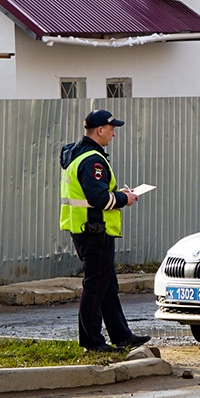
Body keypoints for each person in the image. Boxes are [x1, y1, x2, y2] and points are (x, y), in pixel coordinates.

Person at [60, 110, 146, 352]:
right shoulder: (92, 160)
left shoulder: (79, 155)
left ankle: (122, 336)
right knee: (96, 288)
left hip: (89, 229)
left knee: (107, 287)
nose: (114, 133)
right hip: (93, 231)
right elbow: (98, 198)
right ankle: (92, 343)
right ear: (100, 130)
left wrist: (120, 195)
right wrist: (124, 198)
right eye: (111, 128)